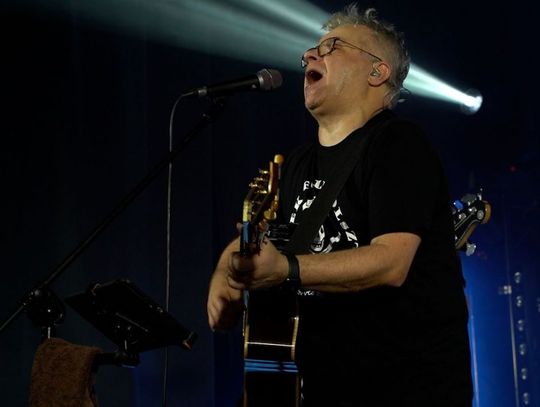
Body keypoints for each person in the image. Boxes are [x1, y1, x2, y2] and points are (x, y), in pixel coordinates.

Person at [207, 5, 473, 406]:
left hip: (401, 387)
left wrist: (287, 269)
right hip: (316, 386)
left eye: (331, 47)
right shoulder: (296, 163)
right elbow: (269, 238)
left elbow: (391, 262)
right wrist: (223, 273)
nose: (309, 55)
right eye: (311, 51)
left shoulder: (398, 145)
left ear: (376, 72)